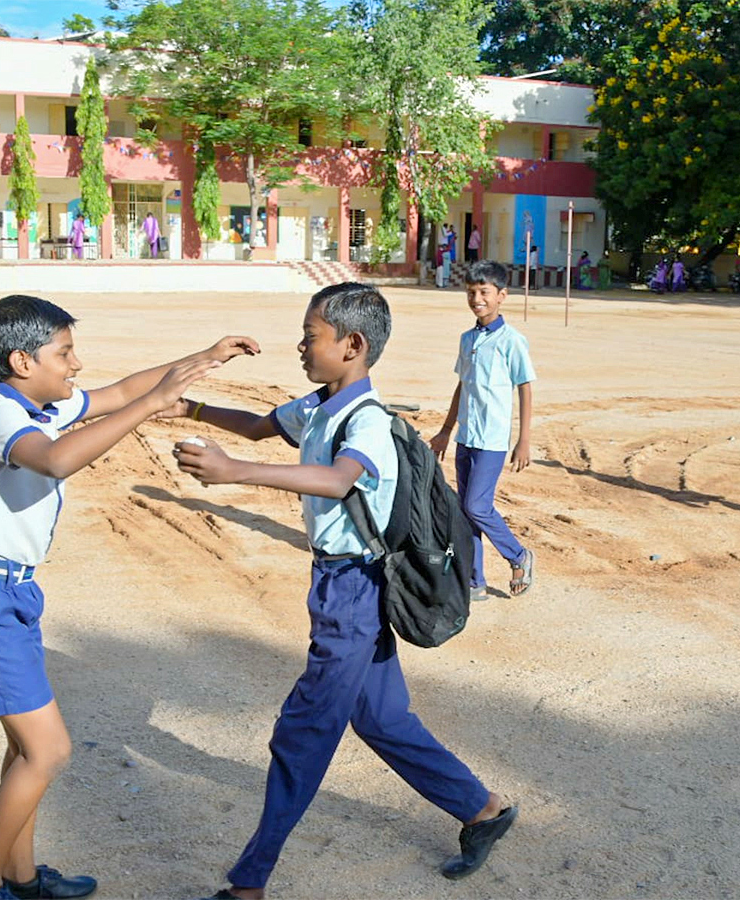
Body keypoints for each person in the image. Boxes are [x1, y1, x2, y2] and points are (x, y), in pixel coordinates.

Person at [174, 283, 518, 900]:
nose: (301, 346)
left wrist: (233, 473)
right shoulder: (321, 405)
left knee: (301, 734)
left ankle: (248, 884)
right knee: (382, 718)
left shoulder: (367, 423)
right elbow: (258, 426)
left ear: (352, 346)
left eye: (311, 337)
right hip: (338, 582)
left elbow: (337, 479)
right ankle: (483, 810)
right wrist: (191, 409)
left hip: (355, 590)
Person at [0, 294, 259, 899]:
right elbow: (54, 462)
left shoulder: (37, 405)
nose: (76, 365)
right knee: (49, 751)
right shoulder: (0, 415)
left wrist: (202, 358)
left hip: (6, 594)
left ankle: (22, 878)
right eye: (65, 353)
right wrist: (151, 407)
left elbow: (124, 388)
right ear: (22, 360)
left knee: (25, 748)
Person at [430, 260, 536, 602]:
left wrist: (524, 440)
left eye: (485, 292)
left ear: (502, 296)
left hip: (491, 441)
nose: (477, 298)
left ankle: (518, 555)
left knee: (477, 506)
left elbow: (525, 388)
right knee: (465, 511)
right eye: (472, 292)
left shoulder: (512, 341)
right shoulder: (468, 339)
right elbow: (462, 386)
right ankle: (475, 581)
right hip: (466, 438)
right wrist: (447, 430)